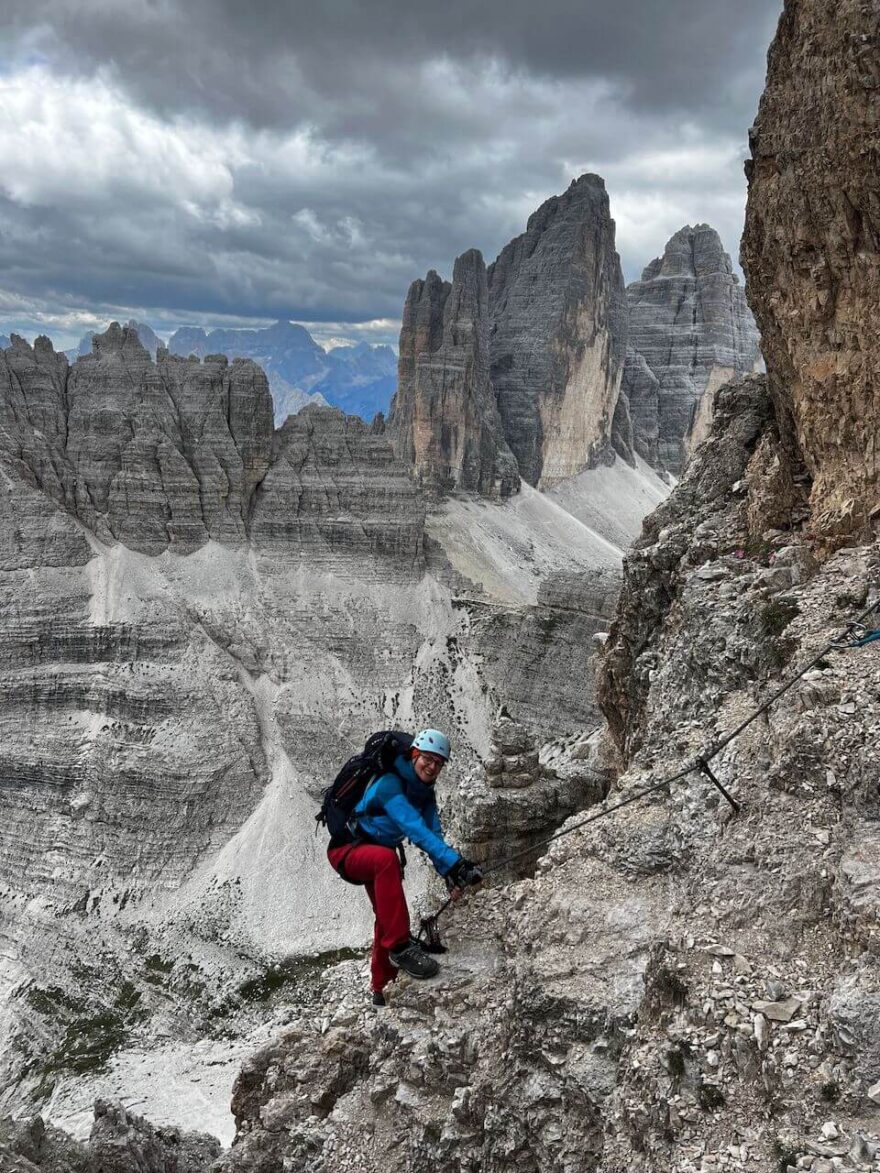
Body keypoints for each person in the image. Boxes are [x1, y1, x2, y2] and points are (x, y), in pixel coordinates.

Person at [327, 728, 482, 1005]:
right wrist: (457, 864)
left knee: (384, 915)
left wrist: (450, 872)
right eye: (427, 759)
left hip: (373, 851)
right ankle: (400, 948)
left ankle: (381, 988)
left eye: (438, 763)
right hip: (346, 850)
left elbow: (433, 835)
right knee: (386, 861)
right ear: (413, 754)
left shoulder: (424, 793)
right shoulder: (390, 785)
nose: (432, 766)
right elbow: (415, 829)